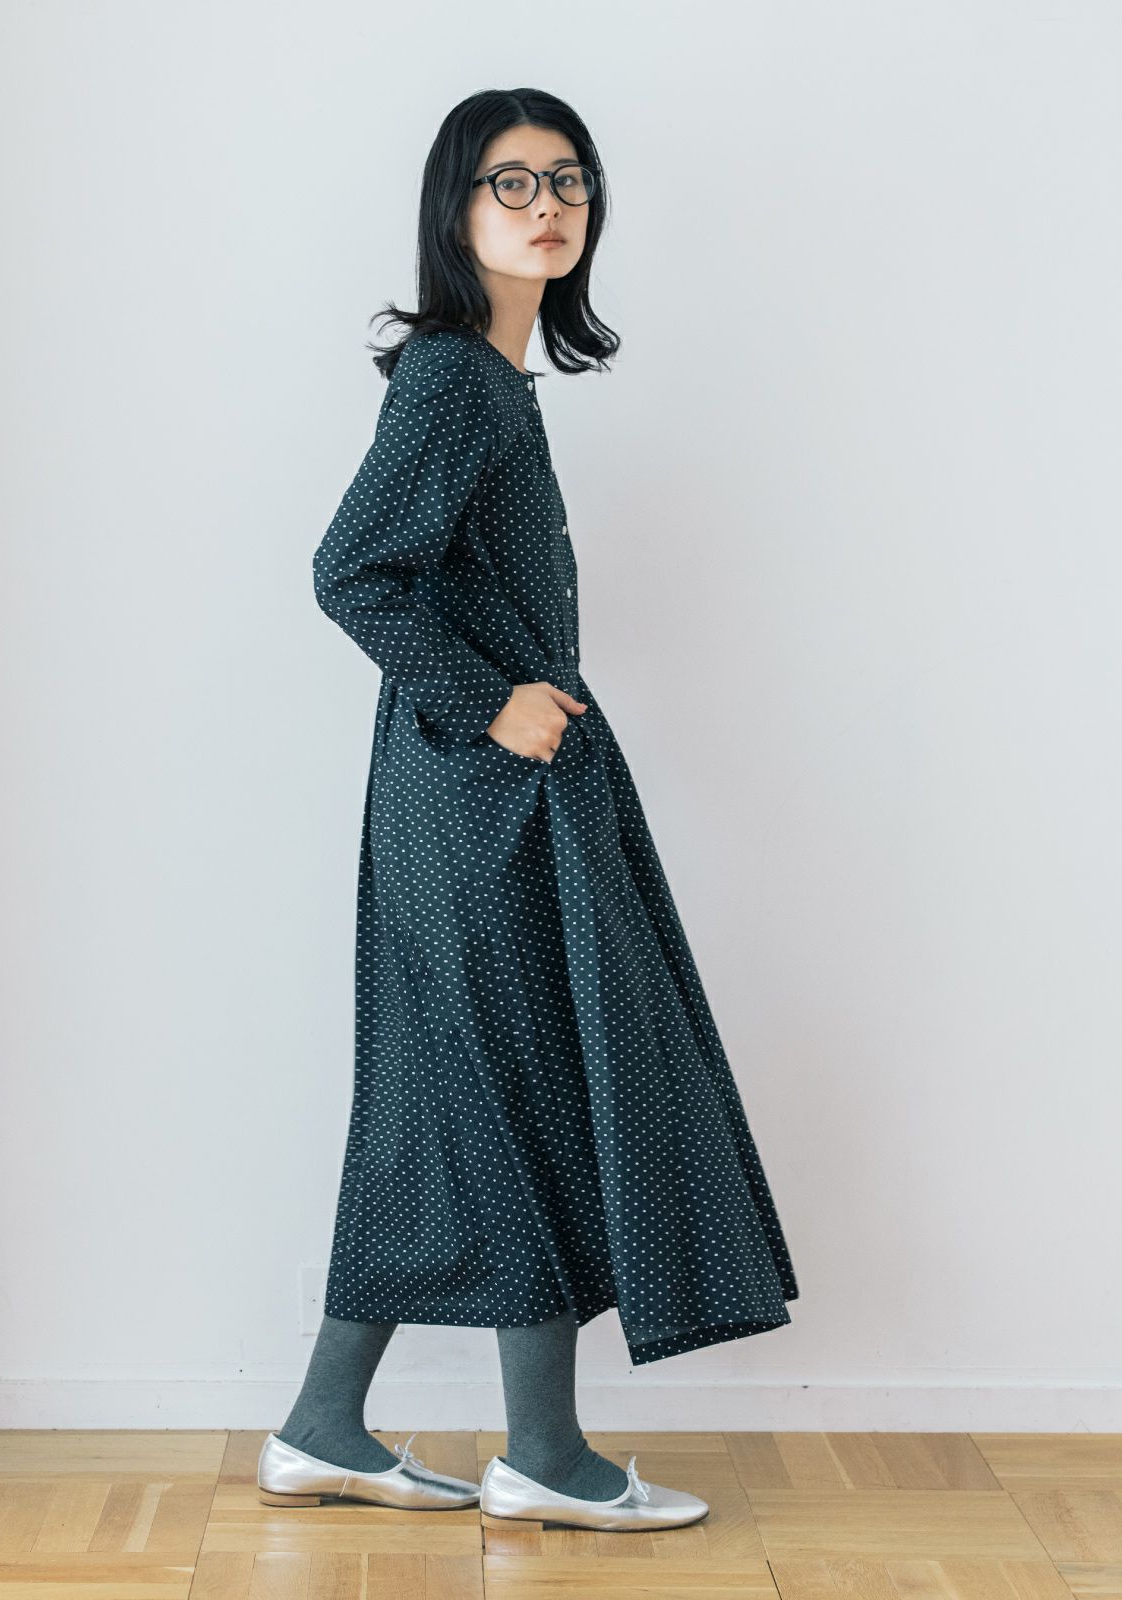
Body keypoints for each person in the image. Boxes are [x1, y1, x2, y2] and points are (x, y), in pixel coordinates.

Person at [257, 86, 799, 1533]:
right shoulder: (454, 381)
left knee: (455, 1102)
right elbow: (350, 570)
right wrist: (494, 699)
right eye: (512, 182)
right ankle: (544, 1455)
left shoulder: (492, 382)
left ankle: (323, 1427)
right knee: (525, 1090)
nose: (547, 205)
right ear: (457, 208)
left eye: (568, 179)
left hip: (480, 790)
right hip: (477, 793)